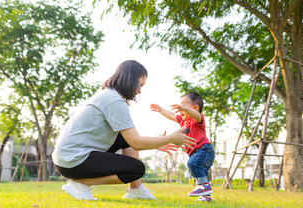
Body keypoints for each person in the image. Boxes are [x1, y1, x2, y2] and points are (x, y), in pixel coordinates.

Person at [52, 60, 195, 200]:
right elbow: (137, 142)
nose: (139, 91)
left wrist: (158, 143)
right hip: (72, 160)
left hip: (68, 157)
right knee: (136, 169)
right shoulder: (113, 100)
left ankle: (136, 189)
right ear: (130, 79)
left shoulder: (110, 95)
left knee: (123, 137)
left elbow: (131, 139)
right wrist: (170, 138)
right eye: (140, 85)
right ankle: (80, 184)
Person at [150, 92, 215, 202]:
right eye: (180, 107)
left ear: (195, 108)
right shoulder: (183, 121)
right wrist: (161, 110)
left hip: (204, 150)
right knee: (197, 173)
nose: (180, 110)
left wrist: (185, 109)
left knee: (192, 164)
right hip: (196, 153)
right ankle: (205, 196)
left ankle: (204, 187)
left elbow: (196, 114)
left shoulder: (198, 120)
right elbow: (171, 115)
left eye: (184, 107)